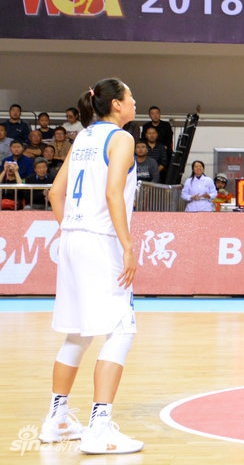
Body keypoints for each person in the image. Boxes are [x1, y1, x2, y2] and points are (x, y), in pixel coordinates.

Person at [43, 78, 143, 454]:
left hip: (72, 237)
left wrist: (74, 228)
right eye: (131, 97)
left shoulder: (83, 137)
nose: (134, 103)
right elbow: (113, 193)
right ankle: (99, 428)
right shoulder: (121, 138)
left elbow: (55, 193)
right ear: (116, 104)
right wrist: (127, 246)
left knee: (78, 333)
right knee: (121, 329)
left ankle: (57, 418)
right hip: (101, 241)